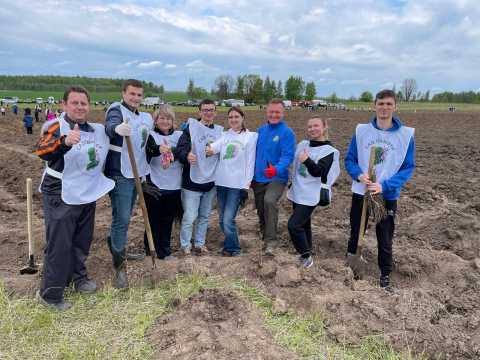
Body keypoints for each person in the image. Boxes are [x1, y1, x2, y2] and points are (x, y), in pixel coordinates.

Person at [34, 86, 114, 310]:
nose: (80, 107)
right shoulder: (56, 126)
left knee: (81, 240)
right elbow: (42, 150)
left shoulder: (96, 130)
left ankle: (77, 278)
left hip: (86, 190)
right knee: (60, 243)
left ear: (89, 106)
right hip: (60, 190)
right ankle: (50, 294)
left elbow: (112, 134)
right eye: (75, 103)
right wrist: (64, 142)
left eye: (84, 103)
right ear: (64, 105)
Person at [345, 89, 415, 290]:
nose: (384, 108)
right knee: (356, 230)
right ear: (374, 105)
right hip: (361, 191)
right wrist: (359, 174)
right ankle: (351, 264)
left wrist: (384, 185)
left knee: (384, 236)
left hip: (386, 194)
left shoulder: (406, 135)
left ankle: (385, 275)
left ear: (395, 107)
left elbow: (407, 168)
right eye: (381, 103)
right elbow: (350, 159)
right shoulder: (362, 131)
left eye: (388, 104)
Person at [104, 79, 153, 289]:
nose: (135, 98)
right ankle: (119, 265)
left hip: (137, 172)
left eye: (139, 95)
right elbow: (109, 126)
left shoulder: (144, 116)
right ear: (124, 93)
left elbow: (147, 141)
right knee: (122, 218)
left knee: (125, 216)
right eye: (132, 94)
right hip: (121, 173)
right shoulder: (116, 110)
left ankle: (117, 246)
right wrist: (117, 129)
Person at [286, 118, 340, 268]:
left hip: (311, 194)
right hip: (298, 190)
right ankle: (307, 252)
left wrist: (307, 160)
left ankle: (305, 256)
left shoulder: (329, 151)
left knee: (293, 226)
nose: (312, 129)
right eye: (309, 126)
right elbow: (293, 164)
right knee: (304, 224)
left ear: (324, 128)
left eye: (316, 126)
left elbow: (319, 172)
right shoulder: (303, 144)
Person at [206, 107, 257, 256]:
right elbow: (212, 148)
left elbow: (250, 162)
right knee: (222, 220)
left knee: (228, 219)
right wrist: (205, 148)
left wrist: (246, 185)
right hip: (221, 183)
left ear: (242, 118)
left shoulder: (250, 136)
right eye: (230, 117)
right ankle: (230, 244)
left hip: (237, 185)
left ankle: (234, 249)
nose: (233, 120)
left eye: (236, 116)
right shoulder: (224, 135)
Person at [176, 99, 223, 255]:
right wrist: (186, 155)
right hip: (192, 183)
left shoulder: (219, 132)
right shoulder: (190, 129)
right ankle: (185, 246)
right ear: (199, 112)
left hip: (210, 183)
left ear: (215, 112)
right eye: (205, 110)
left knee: (204, 216)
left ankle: (199, 243)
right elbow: (180, 149)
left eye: (211, 110)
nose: (208, 113)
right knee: (189, 217)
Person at [251, 99, 296, 255]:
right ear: (267, 112)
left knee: (269, 201)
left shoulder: (287, 132)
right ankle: (264, 233)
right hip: (258, 177)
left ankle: (271, 241)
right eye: (271, 111)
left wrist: (276, 169)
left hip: (277, 177)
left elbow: (288, 155)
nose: (274, 114)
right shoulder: (261, 130)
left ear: (283, 113)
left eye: (277, 112)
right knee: (261, 207)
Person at [143, 105, 183, 260]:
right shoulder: (150, 135)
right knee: (153, 220)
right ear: (156, 120)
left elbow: (183, 152)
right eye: (162, 118)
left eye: (168, 118)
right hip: (155, 185)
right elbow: (149, 150)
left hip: (174, 186)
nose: (165, 121)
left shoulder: (179, 136)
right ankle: (151, 250)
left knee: (167, 220)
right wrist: (158, 149)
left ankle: (165, 250)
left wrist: (173, 154)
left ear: (173, 121)